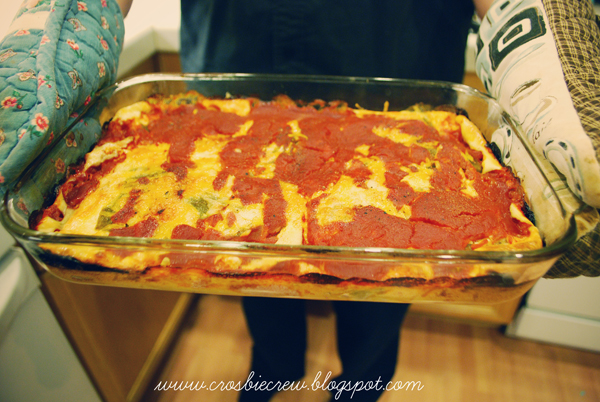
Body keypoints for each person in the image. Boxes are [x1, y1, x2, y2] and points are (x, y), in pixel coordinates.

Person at [0, 1, 598, 401]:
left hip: (396, 61)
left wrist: (530, 29)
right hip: (229, 84)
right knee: (245, 266)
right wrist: (74, 14)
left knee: (382, 290)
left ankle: (359, 388)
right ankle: (274, 367)